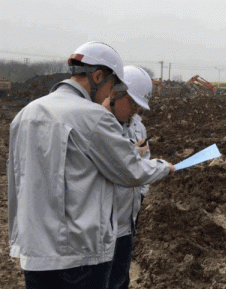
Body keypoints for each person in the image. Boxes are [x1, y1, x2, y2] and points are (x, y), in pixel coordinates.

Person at [7, 42, 175, 289]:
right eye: (112, 86)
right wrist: (164, 167)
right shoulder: (92, 116)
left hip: (36, 255)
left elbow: (15, 182)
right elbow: (131, 170)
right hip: (80, 256)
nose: (110, 94)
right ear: (97, 76)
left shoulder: (25, 115)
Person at [102, 66, 153, 288]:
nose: (134, 110)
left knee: (121, 278)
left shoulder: (137, 126)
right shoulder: (98, 123)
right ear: (116, 94)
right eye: (132, 103)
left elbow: (145, 160)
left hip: (128, 218)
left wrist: (140, 196)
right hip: (102, 223)